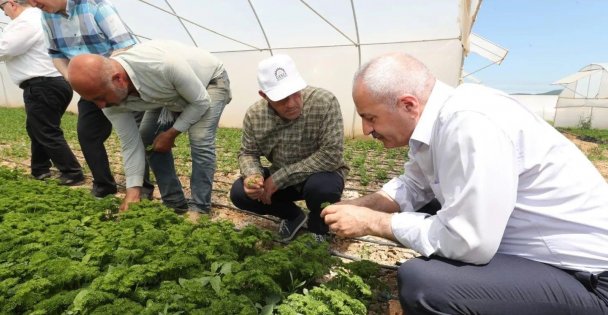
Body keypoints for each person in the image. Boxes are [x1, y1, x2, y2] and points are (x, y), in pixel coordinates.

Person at [321, 52, 608, 314]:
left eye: (370, 118)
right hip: (535, 255)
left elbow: (470, 242)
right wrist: (361, 205)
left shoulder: (469, 123)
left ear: (408, 104)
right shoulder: (435, 123)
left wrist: (373, 223)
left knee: (425, 284)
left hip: (588, 279)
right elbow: (413, 185)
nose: (367, 129)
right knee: (434, 204)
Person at [66, 40, 231, 213]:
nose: (100, 105)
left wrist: (171, 134)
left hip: (208, 81)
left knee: (200, 138)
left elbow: (200, 102)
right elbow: (130, 143)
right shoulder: (105, 99)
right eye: (93, 100)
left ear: (118, 80)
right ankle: (175, 203)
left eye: (100, 97)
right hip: (167, 93)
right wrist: (133, 192)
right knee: (147, 139)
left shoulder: (162, 65)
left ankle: (200, 207)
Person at [27, 0, 153, 198]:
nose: (33, 4)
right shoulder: (47, 16)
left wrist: (103, 76)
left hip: (118, 82)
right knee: (87, 134)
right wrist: (72, 78)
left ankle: (142, 189)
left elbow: (126, 47)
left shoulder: (96, 7)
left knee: (135, 136)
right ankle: (104, 185)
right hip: (90, 88)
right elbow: (56, 53)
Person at [229, 54, 348, 242]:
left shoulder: (324, 101)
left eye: (295, 92)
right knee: (240, 193)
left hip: (321, 174)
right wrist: (253, 175)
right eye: (282, 98)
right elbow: (248, 152)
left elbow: (331, 155)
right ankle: (293, 216)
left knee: (322, 189)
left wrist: (280, 177)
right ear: (264, 95)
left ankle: (318, 230)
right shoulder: (255, 115)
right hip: (283, 180)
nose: (292, 103)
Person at [0, 0, 83, 185]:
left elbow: (6, 47)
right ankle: (40, 170)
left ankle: (72, 172)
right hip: (50, 83)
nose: (4, 13)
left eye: (2, 7)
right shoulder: (39, 18)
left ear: (12, 4)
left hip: (43, 84)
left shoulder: (27, 20)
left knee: (45, 129)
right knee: (37, 127)